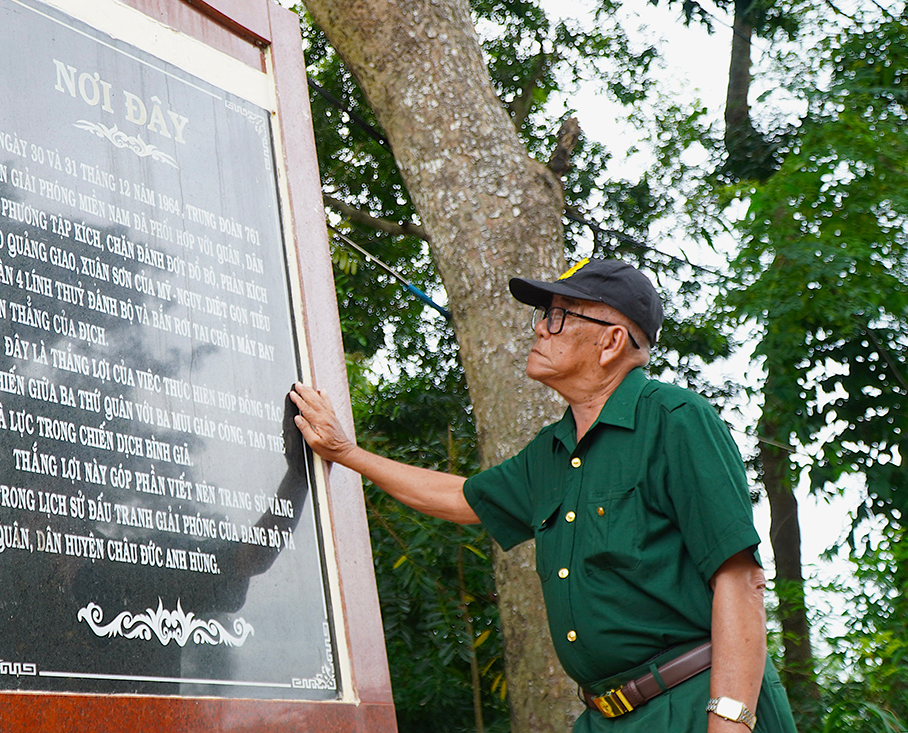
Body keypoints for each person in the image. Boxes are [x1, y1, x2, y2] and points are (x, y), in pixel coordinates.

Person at [291, 259, 795, 732]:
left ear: (611, 341)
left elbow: (740, 579)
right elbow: (462, 499)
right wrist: (345, 452)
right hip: (605, 715)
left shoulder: (676, 420)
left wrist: (728, 720)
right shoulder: (553, 450)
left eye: (557, 316)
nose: (538, 327)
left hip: (696, 705)